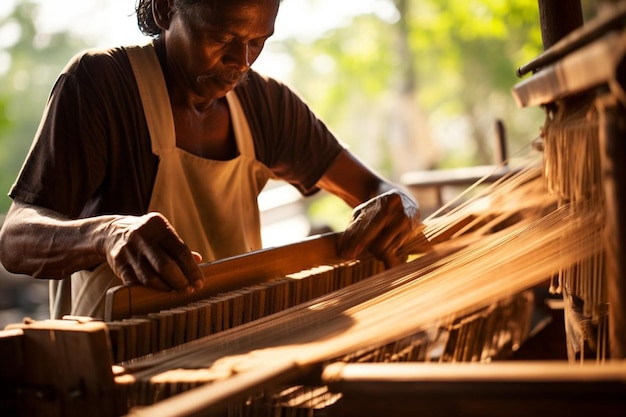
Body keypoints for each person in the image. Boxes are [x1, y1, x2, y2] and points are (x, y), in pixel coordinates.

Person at [0, 0, 426, 320]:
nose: (241, 62)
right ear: (168, 10)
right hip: (115, 370)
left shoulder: (265, 104)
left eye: (258, 42)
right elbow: (15, 240)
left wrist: (399, 206)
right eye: (222, 39)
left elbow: (380, 191)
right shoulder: (102, 86)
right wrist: (107, 234)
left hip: (236, 355)